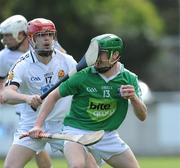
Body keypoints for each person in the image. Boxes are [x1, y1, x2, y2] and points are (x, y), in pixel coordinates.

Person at [27, 33, 148, 168]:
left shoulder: (129, 79)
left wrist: (134, 98)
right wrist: (37, 125)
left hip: (106, 135)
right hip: (76, 132)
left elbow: (142, 116)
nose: (94, 57)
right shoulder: (82, 76)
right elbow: (53, 96)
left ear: (115, 55)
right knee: (77, 166)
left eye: (100, 53)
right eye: (92, 52)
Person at [0, 18, 99, 168]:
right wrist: (27, 98)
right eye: (41, 35)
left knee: (89, 166)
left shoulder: (67, 61)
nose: (46, 38)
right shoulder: (22, 64)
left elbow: (86, 84)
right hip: (31, 125)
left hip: (62, 124)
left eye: (50, 34)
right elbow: (7, 94)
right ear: (31, 39)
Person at [0, 15, 53, 168]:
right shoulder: (3, 57)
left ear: (22, 34)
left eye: (9, 35)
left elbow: (62, 60)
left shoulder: (42, 43)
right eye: (4, 36)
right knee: (35, 147)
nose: (5, 39)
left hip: (55, 104)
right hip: (26, 107)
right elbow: (1, 79)